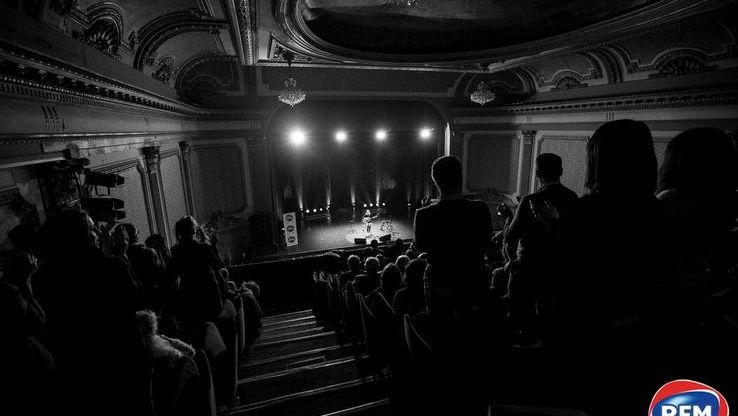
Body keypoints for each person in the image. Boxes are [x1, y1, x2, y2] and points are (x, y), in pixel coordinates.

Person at [33, 210, 151, 416]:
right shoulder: (110, 266)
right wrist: (116, 256)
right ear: (80, 237)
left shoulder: (42, 278)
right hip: (123, 359)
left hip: (77, 367)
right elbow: (137, 298)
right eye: (91, 228)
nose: (97, 232)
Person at [504, 153, 579, 340]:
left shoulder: (529, 200)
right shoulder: (573, 198)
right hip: (559, 270)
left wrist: (511, 259)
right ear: (561, 171)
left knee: (518, 313)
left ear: (537, 173)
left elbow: (510, 237)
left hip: (528, 269)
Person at [413, 155, 492, 310]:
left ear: (435, 182)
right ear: (460, 178)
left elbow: (419, 247)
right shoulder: (481, 208)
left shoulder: (423, 214)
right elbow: (487, 241)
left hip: (441, 285)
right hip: (474, 283)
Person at [171, 216, 224, 325]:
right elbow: (218, 265)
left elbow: (175, 275)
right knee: (214, 324)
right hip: (208, 290)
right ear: (194, 230)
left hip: (188, 292)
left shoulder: (175, 251)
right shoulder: (204, 248)